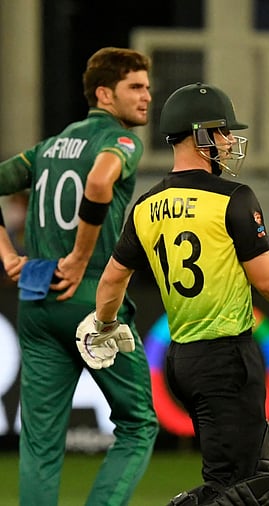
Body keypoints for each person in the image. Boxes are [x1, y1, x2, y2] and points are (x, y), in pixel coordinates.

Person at [79, 82, 269, 505]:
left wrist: (104, 325)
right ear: (200, 134)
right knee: (242, 488)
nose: (228, 142)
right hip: (227, 358)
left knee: (236, 480)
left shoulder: (146, 206)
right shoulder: (233, 199)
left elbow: (113, 278)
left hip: (181, 361)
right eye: (222, 132)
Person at [0, 47, 158, 506]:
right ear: (105, 94)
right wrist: (79, 255)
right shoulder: (121, 141)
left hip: (36, 297)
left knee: (39, 443)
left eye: (147, 87)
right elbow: (99, 182)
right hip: (90, 297)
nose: (147, 96)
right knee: (138, 423)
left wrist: (8, 255)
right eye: (136, 86)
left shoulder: (47, 148)